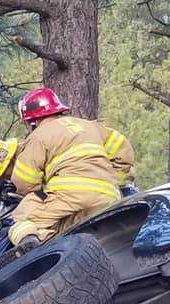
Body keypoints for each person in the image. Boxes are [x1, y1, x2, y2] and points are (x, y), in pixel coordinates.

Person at [7, 87, 125, 255]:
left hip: (69, 197)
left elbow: (24, 182)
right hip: (109, 195)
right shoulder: (91, 126)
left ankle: (37, 248)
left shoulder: (38, 136)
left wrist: (42, 191)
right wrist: (115, 181)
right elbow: (124, 154)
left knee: (23, 219)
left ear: (31, 121)